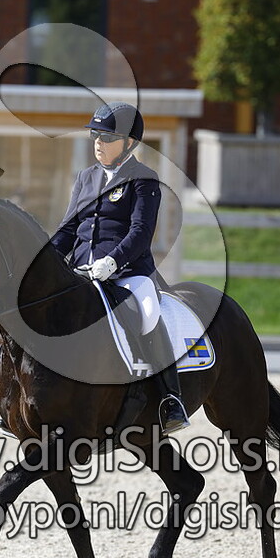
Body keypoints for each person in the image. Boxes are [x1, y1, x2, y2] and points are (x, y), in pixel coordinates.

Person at [50, 101, 189, 434]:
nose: (98, 143)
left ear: (129, 142)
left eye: (107, 137)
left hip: (128, 273)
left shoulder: (144, 179)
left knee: (148, 312)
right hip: (81, 271)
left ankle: (170, 398)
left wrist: (112, 261)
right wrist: (44, 259)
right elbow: (69, 228)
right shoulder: (86, 177)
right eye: (95, 136)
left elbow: (140, 232)